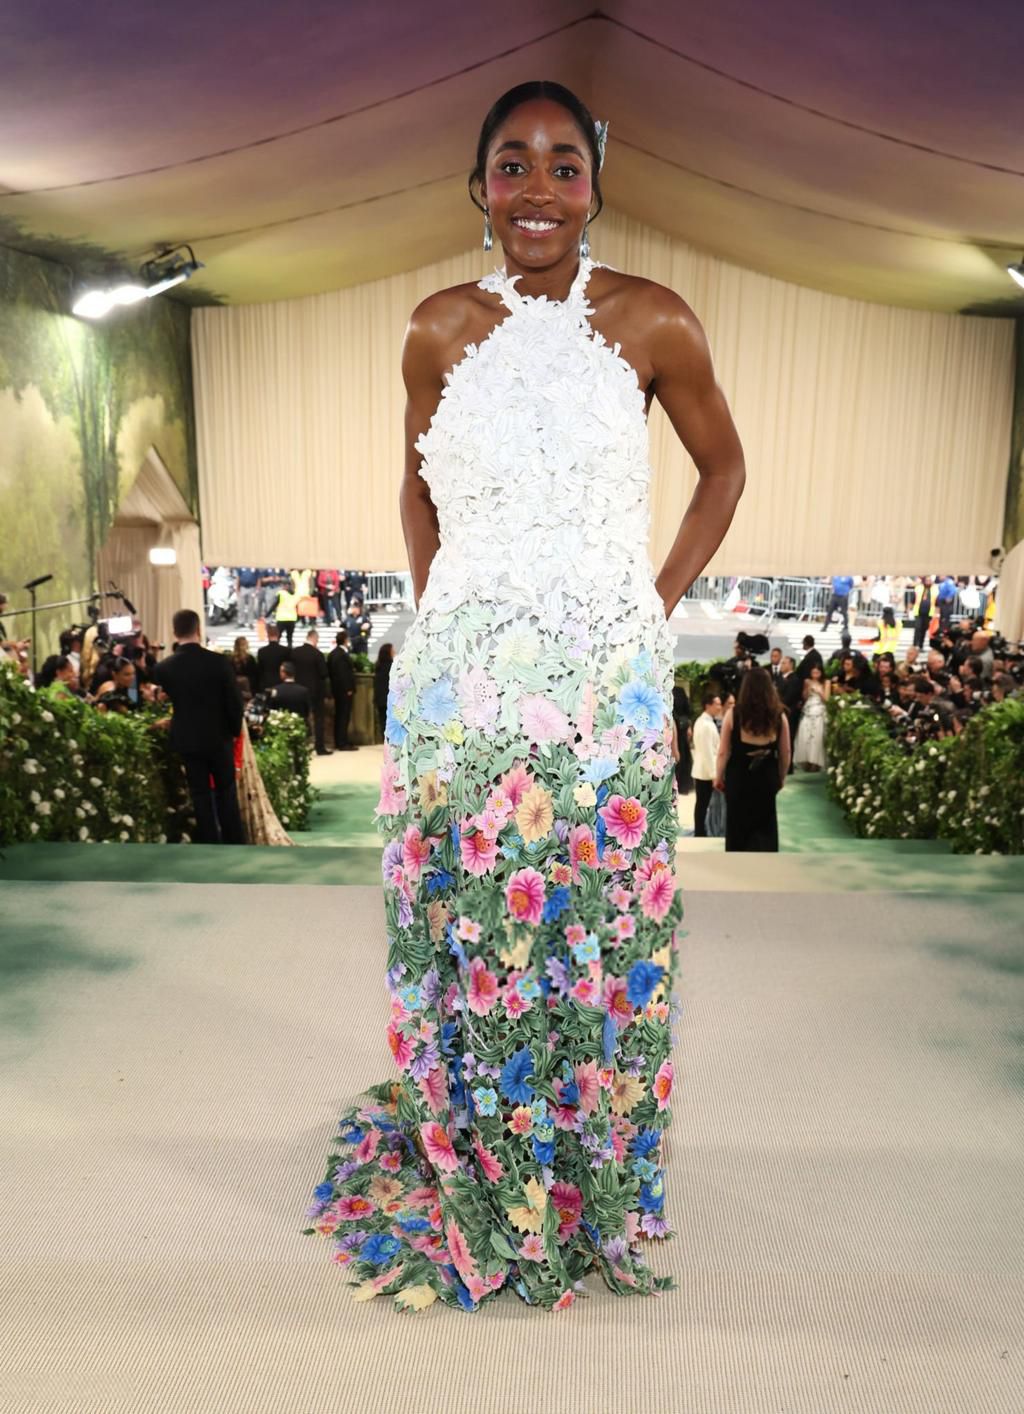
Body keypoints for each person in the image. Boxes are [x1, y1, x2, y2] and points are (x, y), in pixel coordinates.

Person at [304, 81, 746, 1311]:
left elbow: (724, 469)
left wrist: (647, 604)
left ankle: (587, 1176)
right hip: (461, 677)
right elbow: (413, 484)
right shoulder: (436, 325)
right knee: (475, 915)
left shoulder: (655, 320)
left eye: (563, 164)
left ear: (597, 182)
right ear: (477, 187)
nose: (537, 189)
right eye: (512, 164)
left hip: (602, 674)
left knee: (594, 918)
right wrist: (441, 605)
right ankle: (489, 1166)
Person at [150, 608, 244, 845]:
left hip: (187, 739)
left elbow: (159, 699)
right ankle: (234, 841)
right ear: (199, 630)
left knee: (200, 795)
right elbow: (234, 702)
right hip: (218, 737)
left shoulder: (164, 669)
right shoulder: (219, 663)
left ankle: (210, 843)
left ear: (174, 633)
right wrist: (234, 732)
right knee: (226, 792)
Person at [714, 665, 789, 852]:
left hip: (739, 777)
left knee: (737, 826)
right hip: (767, 776)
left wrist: (718, 776)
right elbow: (786, 751)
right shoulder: (779, 715)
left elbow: (723, 751)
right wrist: (781, 776)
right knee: (765, 826)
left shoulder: (733, 714)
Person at [291, 627, 331, 754]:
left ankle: (299, 747)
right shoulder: (317, 654)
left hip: (297, 691)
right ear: (314, 638)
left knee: (299, 718)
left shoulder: (295, 652)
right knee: (319, 719)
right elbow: (324, 673)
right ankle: (319, 747)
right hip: (315, 692)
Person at [691, 690, 722, 836]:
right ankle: (699, 831)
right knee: (702, 804)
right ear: (708, 705)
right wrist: (714, 774)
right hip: (705, 772)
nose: (719, 707)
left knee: (702, 804)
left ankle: (701, 830)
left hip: (704, 770)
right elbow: (708, 752)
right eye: (717, 704)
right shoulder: (705, 724)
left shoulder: (706, 722)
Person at [793, 664, 829, 770]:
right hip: (808, 709)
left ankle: (816, 762)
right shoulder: (807, 681)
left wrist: (818, 691)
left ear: (821, 672)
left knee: (817, 737)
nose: (815, 675)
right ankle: (806, 760)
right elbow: (804, 696)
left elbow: (827, 699)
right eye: (813, 672)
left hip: (819, 709)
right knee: (805, 735)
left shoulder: (825, 682)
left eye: (817, 672)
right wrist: (807, 689)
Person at [327, 628, 357, 750]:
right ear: (345, 640)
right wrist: (348, 688)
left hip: (337, 690)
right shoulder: (341, 655)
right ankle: (342, 742)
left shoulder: (333, 654)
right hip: (344, 691)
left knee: (340, 716)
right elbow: (342, 674)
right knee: (343, 716)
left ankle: (340, 740)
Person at [257, 623, 292, 691]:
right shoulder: (286, 651)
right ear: (278, 635)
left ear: (268, 635)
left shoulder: (262, 651)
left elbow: (259, 670)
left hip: (266, 683)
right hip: (281, 684)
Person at [372, 641, 393, 742]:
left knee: (383, 721)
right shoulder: (390, 666)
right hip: (388, 698)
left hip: (380, 698)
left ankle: (385, 741)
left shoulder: (378, 666)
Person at [230, 635, 259, 700]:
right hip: (248, 688)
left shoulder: (231, 659)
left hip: (236, 688)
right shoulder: (250, 658)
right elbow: (255, 674)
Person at [273, 582, 300, 649]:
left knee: (278, 637)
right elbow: (297, 607)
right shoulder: (295, 595)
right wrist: (298, 618)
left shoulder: (281, 593)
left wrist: (266, 615)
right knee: (289, 638)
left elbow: (274, 605)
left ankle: (276, 651)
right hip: (291, 619)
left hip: (281, 618)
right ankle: (290, 653)